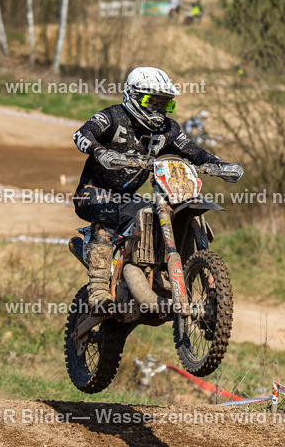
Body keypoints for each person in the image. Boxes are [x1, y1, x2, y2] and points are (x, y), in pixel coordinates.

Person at [72, 66, 244, 308]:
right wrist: (100, 152)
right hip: (92, 193)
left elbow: (193, 151)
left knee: (164, 213)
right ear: (133, 95)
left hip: (128, 200)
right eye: (152, 101)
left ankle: (160, 273)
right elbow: (82, 134)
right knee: (108, 210)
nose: (159, 110)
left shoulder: (168, 129)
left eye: (165, 104)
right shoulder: (112, 117)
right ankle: (98, 289)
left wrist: (220, 166)